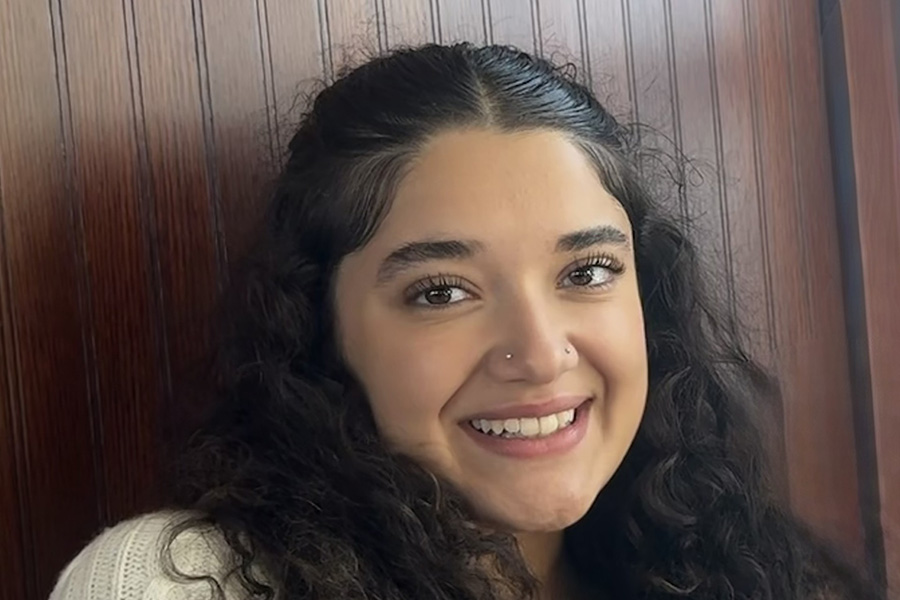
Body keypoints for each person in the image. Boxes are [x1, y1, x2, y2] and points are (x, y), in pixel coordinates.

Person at [49, 42, 882, 600]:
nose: (540, 353)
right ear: (320, 328)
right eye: (442, 291)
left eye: (586, 273)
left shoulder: (764, 574)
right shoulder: (183, 584)